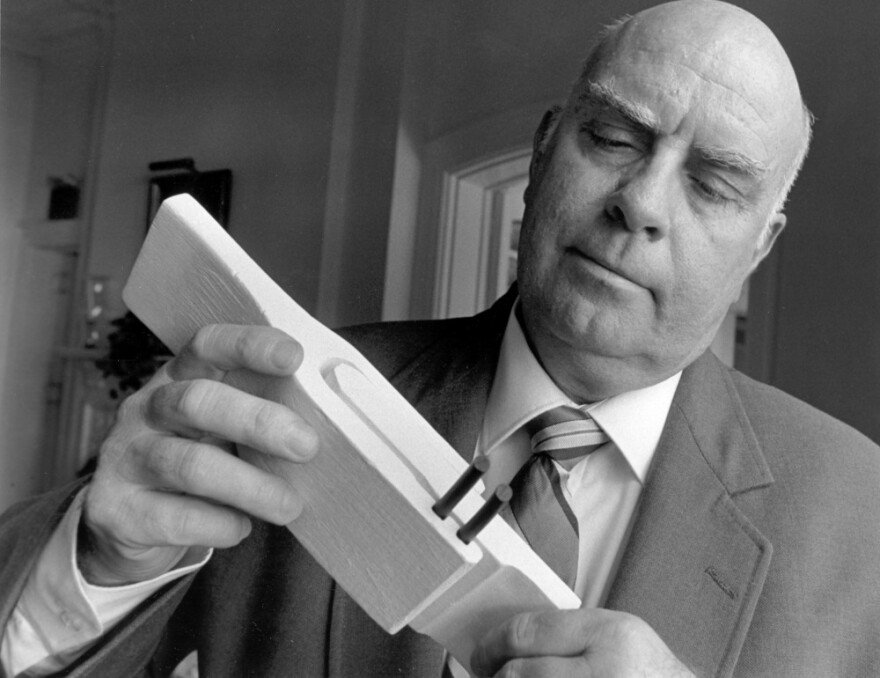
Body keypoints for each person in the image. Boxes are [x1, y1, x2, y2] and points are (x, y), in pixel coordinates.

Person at [2, 0, 879, 676]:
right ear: (543, 152)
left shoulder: (862, 518)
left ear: (762, 242)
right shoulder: (268, 397)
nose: (642, 204)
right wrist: (96, 565)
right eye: (613, 137)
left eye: (715, 184)